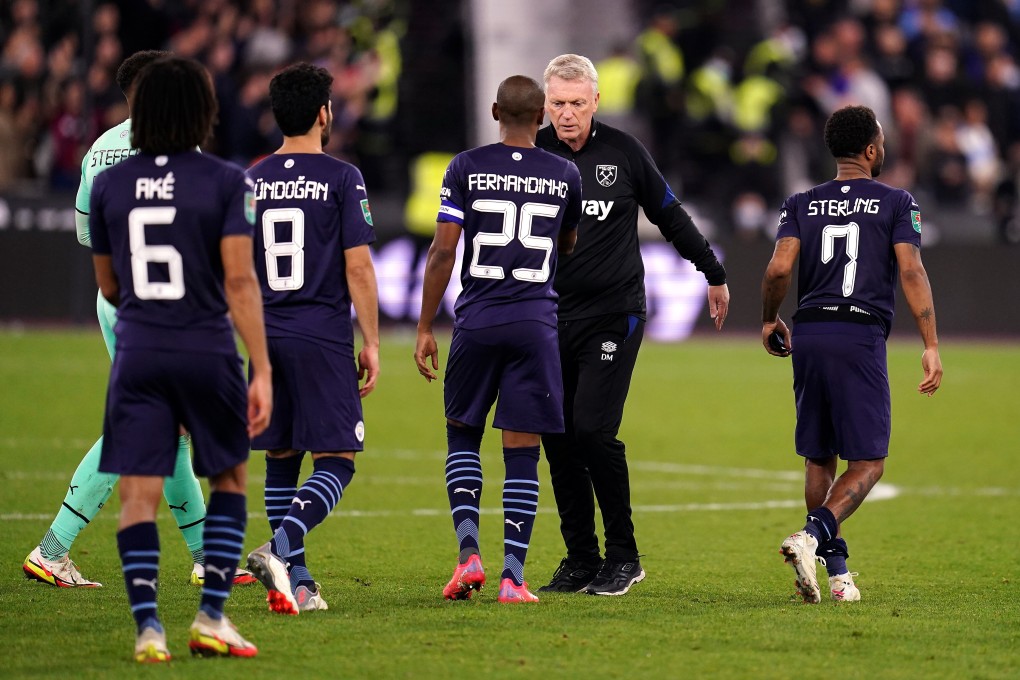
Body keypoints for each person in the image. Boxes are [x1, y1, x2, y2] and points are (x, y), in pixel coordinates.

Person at [23, 49, 255, 590]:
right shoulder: (180, 148)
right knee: (142, 422)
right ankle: (52, 547)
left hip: (118, 300)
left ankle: (203, 555)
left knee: (166, 427)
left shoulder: (99, 150)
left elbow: (87, 235)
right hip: (163, 306)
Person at [89, 56, 271, 660]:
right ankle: (211, 617)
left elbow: (109, 284)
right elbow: (241, 284)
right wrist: (262, 368)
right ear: (201, 111)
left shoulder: (110, 184)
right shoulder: (227, 181)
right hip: (205, 348)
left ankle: (148, 630)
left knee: (137, 495)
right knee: (229, 478)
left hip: (138, 351)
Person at [535, 54, 729, 596]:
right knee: (559, 439)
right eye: (557, 104)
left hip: (613, 314)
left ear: (596, 101)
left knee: (593, 430)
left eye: (576, 103)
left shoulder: (622, 152)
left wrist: (712, 271)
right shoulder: (533, 155)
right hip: (549, 317)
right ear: (545, 104)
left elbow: (669, 214)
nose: (567, 114)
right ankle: (579, 558)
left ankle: (624, 556)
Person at [761, 104, 942, 604]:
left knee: (819, 455)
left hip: (810, 333)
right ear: (870, 149)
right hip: (858, 336)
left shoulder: (802, 201)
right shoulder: (896, 201)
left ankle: (837, 576)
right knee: (868, 463)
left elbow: (779, 270)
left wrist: (768, 318)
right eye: (881, 140)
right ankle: (811, 536)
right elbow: (911, 272)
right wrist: (930, 344)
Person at [414, 75, 582, 604]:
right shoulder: (565, 172)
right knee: (522, 451)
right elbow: (568, 242)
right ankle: (514, 577)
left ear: (493, 112)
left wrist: (423, 326)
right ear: (542, 118)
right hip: (535, 325)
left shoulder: (465, 166)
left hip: (478, 321)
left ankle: (468, 559)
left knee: (463, 436)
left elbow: (443, 252)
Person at [244, 62, 380, 615]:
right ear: (325, 113)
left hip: (265, 334)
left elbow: (234, 268)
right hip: (321, 335)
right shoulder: (343, 178)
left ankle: (298, 582)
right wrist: (370, 340)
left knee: (281, 455)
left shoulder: (249, 179)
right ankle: (279, 548)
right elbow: (360, 268)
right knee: (338, 459)